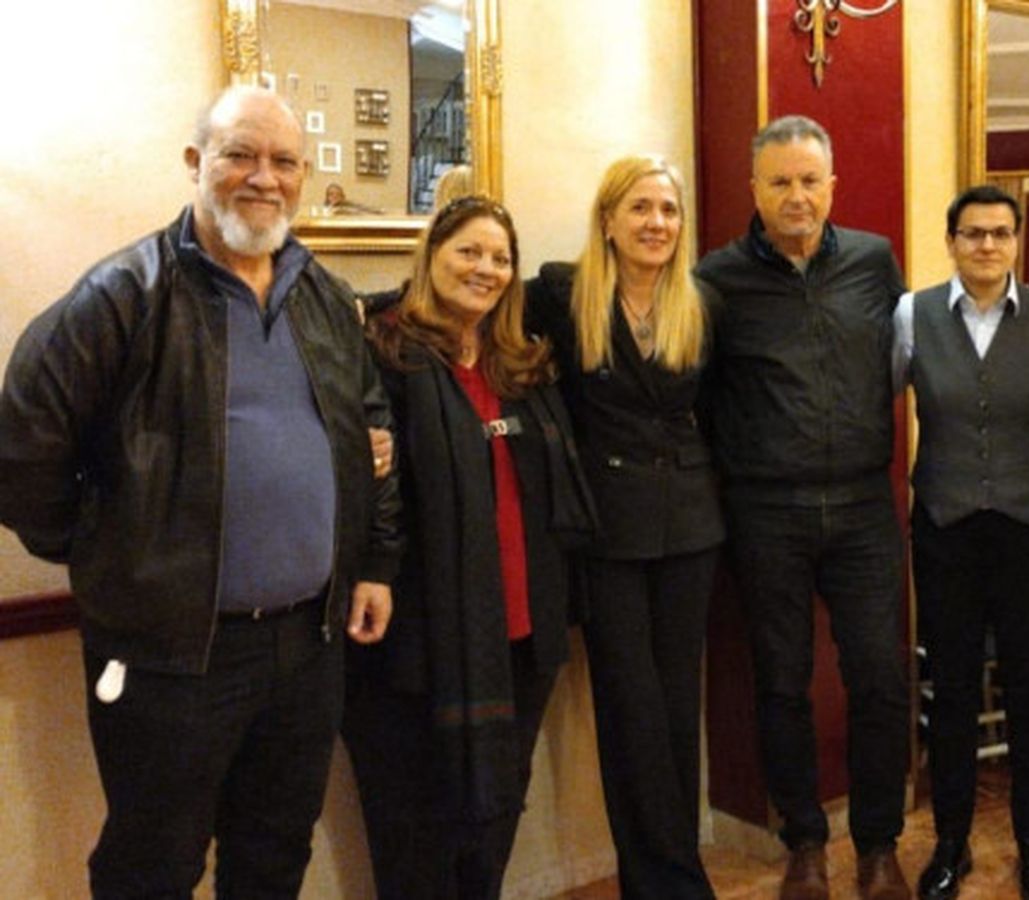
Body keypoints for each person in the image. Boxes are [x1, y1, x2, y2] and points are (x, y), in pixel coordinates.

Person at [0, 85, 400, 897]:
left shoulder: (323, 298)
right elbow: (22, 449)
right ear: (195, 163)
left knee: (274, 853)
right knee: (152, 865)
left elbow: (371, 435)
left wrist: (376, 562)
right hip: (173, 653)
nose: (264, 177)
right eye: (240, 155)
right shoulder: (122, 297)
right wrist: (111, 552)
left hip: (307, 646)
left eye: (284, 161)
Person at [342, 195, 599, 898]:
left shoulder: (521, 362)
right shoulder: (382, 350)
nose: (485, 269)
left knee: (493, 818)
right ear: (431, 255)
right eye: (468, 251)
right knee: (413, 827)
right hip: (417, 641)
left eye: (499, 258)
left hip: (521, 630)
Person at [696, 114, 913, 900]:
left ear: (833, 187)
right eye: (780, 181)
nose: (797, 196)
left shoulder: (873, 260)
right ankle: (806, 843)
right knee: (782, 683)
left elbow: (903, 354)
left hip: (862, 504)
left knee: (880, 680)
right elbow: (700, 395)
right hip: (766, 512)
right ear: (754, 189)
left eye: (810, 181)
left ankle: (880, 844)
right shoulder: (715, 281)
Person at [525, 155, 721, 898]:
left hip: (692, 528)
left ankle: (677, 875)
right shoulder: (562, 292)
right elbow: (465, 303)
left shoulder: (699, 303)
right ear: (608, 220)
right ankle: (659, 880)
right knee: (628, 707)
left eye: (668, 211)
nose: (656, 224)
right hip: (608, 530)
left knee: (676, 708)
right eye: (640, 208)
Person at [893, 185, 1029, 900]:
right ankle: (950, 846)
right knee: (954, 694)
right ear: (951, 240)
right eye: (973, 234)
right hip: (945, 531)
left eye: (1000, 233)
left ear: (1017, 241)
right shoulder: (912, 314)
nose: (987, 246)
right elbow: (887, 398)